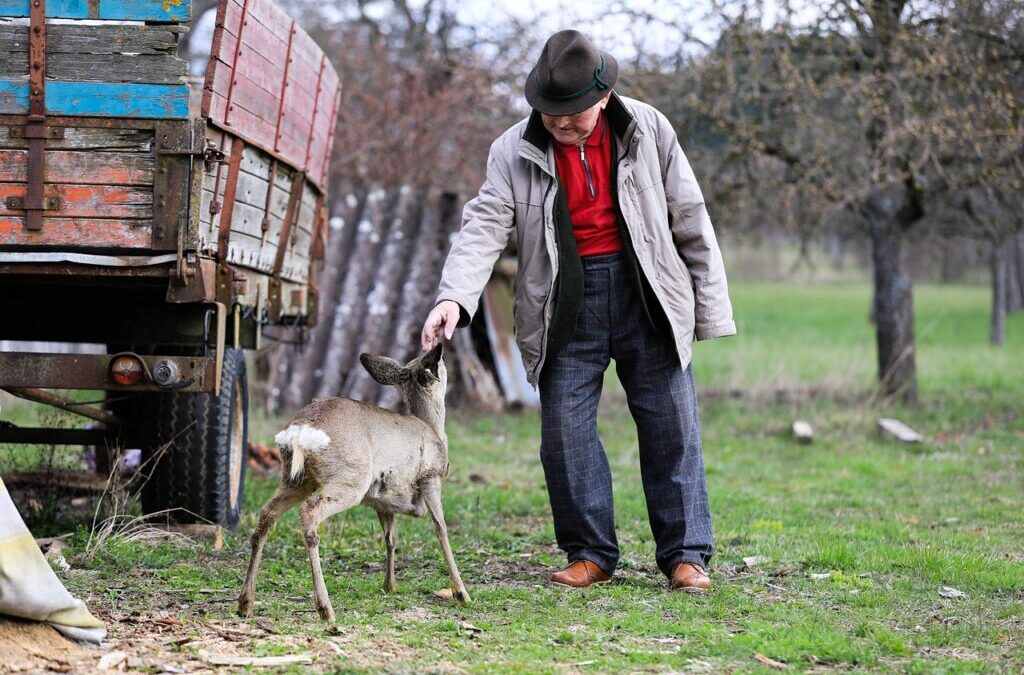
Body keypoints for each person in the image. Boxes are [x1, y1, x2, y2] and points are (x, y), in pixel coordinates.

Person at [420, 30, 735, 592]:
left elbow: (691, 218)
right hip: (564, 301)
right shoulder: (511, 150)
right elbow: (484, 227)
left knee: (673, 428)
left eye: (573, 115)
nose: (560, 125)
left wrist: (709, 310)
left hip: (647, 294)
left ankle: (686, 555)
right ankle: (589, 552)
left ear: (604, 98)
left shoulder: (649, 129)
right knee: (564, 434)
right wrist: (454, 298)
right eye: (550, 114)